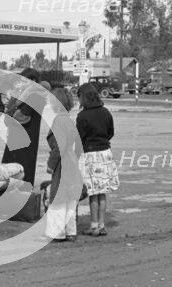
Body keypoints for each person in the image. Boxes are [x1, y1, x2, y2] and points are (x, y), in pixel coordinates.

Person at [76, 83, 119, 236]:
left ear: (84, 97)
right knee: (103, 193)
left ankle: (93, 225)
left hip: (90, 156)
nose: (78, 100)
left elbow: (79, 138)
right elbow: (110, 132)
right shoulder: (106, 112)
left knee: (93, 193)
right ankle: (102, 224)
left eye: (79, 97)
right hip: (105, 154)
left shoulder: (82, 116)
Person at [44, 87, 82, 242]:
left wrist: (50, 165)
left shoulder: (58, 120)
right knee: (71, 199)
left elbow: (58, 146)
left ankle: (57, 232)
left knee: (58, 199)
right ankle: (71, 231)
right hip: (71, 161)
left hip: (61, 164)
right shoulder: (69, 119)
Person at [2, 67, 45, 186]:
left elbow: (21, 116)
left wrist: (12, 110)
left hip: (25, 142)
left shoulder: (35, 96)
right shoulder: (23, 96)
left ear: (32, 80)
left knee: (22, 173)